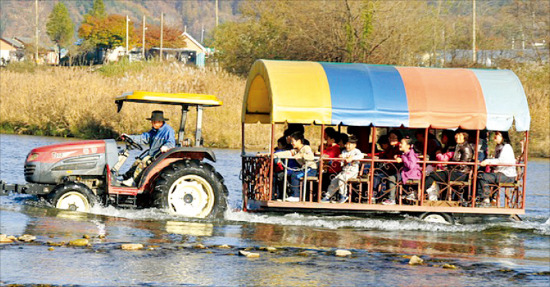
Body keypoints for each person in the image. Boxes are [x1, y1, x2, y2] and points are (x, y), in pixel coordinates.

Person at [121, 110, 176, 186]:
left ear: (160, 122)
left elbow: (171, 142)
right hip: (151, 154)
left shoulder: (168, 130)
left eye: (153, 121)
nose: (151, 123)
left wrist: (166, 147)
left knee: (144, 162)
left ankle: (134, 181)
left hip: (159, 156)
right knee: (137, 162)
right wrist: (129, 137)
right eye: (152, 121)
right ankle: (126, 178)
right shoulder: (153, 131)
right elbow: (143, 138)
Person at [424, 131, 474, 201]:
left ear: (464, 137)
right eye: (456, 135)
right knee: (432, 175)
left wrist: (449, 165)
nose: (457, 137)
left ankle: (424, 194)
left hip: (460, 173)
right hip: (453, 171)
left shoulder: (466, 148)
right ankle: (433, 196)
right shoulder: (456, 146)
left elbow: (463, 164)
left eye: (460, 135)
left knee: (432, 175)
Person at [273, 132, 317, 202]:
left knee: (295, 176)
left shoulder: (306, 148)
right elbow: (287, 153)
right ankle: (283, 195)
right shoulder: (296, 150)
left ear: (299, 141)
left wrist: (302, 155)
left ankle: (296, 196)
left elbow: (311, 156)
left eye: (292, 141)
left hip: (310, 169)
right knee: (286, 175)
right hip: (304, 169)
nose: (291, 143)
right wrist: (275, 155)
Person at [476, 131, 517, 207]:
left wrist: (488, 161)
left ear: (503, 137)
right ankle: (490, 199)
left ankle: (485, 199)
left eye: (497, 135)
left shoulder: (506, 147)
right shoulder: (499, 147)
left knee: (482, 176)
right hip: (501, 173)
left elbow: (502, 161)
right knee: (481, 174)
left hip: (507, 175)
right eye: (495, 134)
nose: (495, 136)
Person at [322, 135, 363, 203]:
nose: (348, 146)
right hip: (344, 171)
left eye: (350, 144)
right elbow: (342, 160)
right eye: (347, 144)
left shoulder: (356, 151)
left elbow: (361, 156)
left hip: (352, 172)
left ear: (354, 145)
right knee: (334, 180)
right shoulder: (344, 151)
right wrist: (342, 159)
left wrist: (352, 158)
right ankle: (327, 196)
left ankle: (343, 195)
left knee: (341, 178)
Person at [382, 137, 422, 205]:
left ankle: (392, 199)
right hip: (407, 173)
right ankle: (393, 197)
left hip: (411, 174)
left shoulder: (411, 153)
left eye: (402, 143)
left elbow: (411, 166)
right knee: (392, 176)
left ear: (408, 146)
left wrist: (403, 159)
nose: (400, 145)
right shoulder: (406, 154)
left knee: (392, 178)